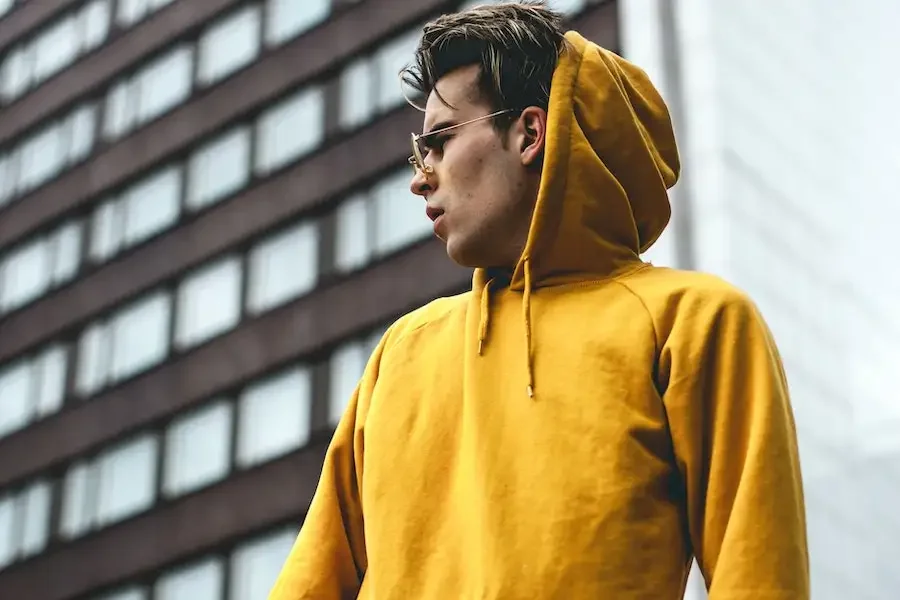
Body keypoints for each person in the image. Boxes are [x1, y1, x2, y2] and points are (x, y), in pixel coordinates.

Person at [269, 2, 810, 598]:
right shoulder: (403, 353)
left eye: (441, 141)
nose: (421, 177)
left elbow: (760, 578)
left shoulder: (693, 323)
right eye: (418, 153)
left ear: (529, 132)